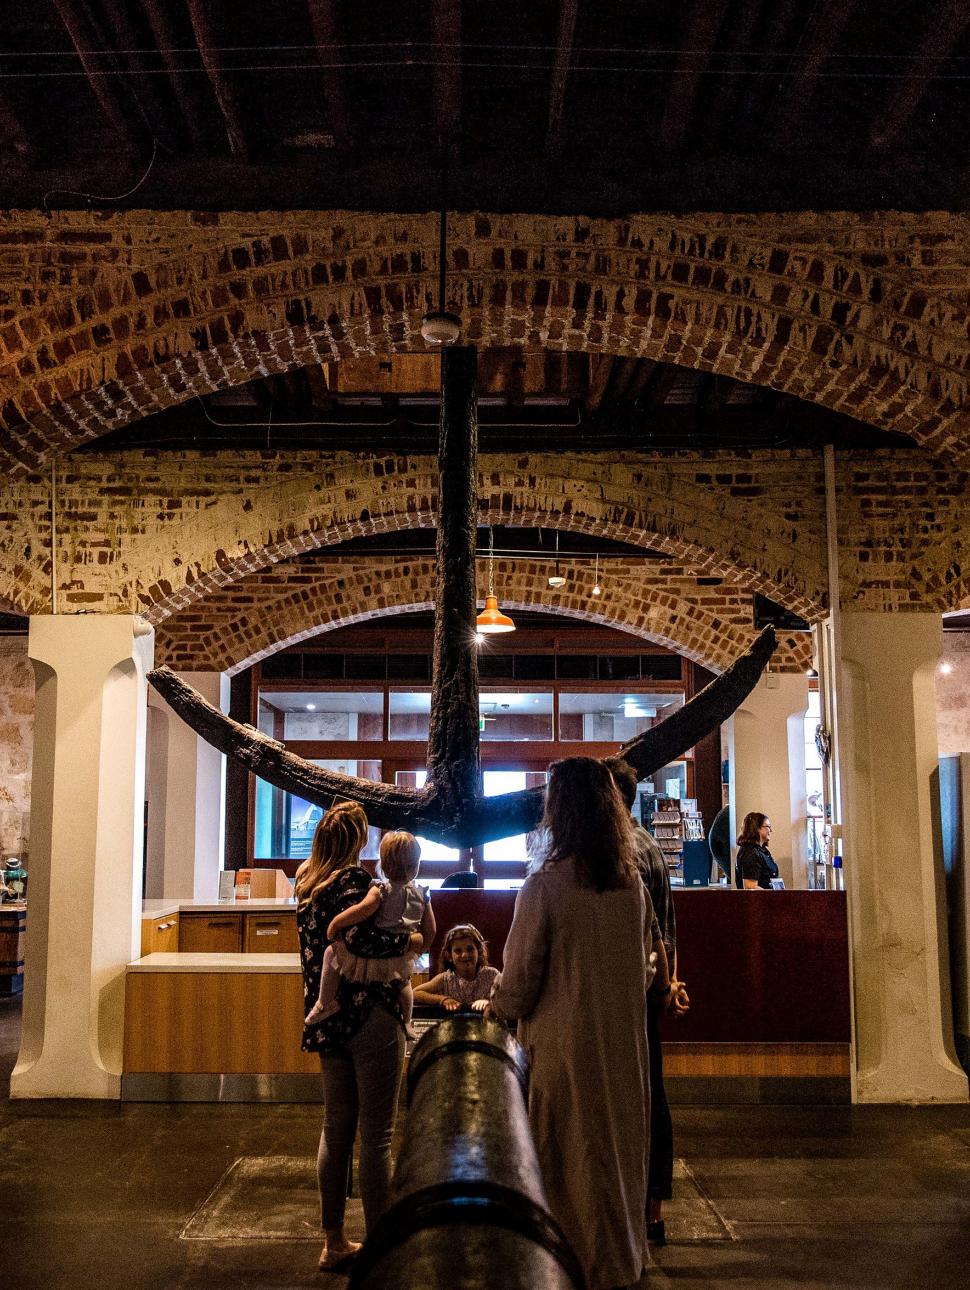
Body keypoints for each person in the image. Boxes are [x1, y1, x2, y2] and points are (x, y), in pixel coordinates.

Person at [490, 757, 669, 1290]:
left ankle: (567, 1269)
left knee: (568, 1166)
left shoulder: (543, 887)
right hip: (623, 1050)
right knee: (617, 1161)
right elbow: (644, 968)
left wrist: (494, 1002)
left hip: (563, 1053)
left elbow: (519, 983)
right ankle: (622, 1262)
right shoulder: (630, 886)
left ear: (558, 811)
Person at [295, 802, 423, 1272]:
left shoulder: (306, 886)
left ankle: (334, 1240)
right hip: (370, 1017)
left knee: (336, 1129)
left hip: (328, 1023)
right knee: (378, 1139)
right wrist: (412, 943)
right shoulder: (352, 884)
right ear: (355, 839)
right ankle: (383, 1246)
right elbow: (364, 942)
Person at [605, 757, 689, 1249]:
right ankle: (652, 1211)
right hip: (649, 991)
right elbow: (667, 928)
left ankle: (627, 1206)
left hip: (623, 993)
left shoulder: (622, 852)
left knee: (625, 1099)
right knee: (652, 1093)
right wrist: (669, 984)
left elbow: (638, 933)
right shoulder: (652, 846)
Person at [305, 830, 435, 1041]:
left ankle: (324, 1001)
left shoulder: (380, 890)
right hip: (402, 954)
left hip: (375, 955)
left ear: (383, 865)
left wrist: (335, 923)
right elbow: (431, 929)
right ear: (415, 866)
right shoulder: (422, 893)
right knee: (404, 984)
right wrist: (422, 946)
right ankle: (408, 1022)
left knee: (331, 954)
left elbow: (361, 911)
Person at [412, 923, 498, 1012]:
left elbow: (507, 999)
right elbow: (415, 994)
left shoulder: (492, 975)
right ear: (449, 956)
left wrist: (489, 1003)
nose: (465, 955)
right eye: (458, 951)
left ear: (479, 951)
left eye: (470, 949)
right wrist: (443, 1000)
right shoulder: (446, 979)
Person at [734, 812, 780, 889]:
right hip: (759, 900)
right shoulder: (750, 852)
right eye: (768, 827)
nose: (771, 830)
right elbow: (750, 887)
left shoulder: (762, 851)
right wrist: (771, 896)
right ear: (757, 828)